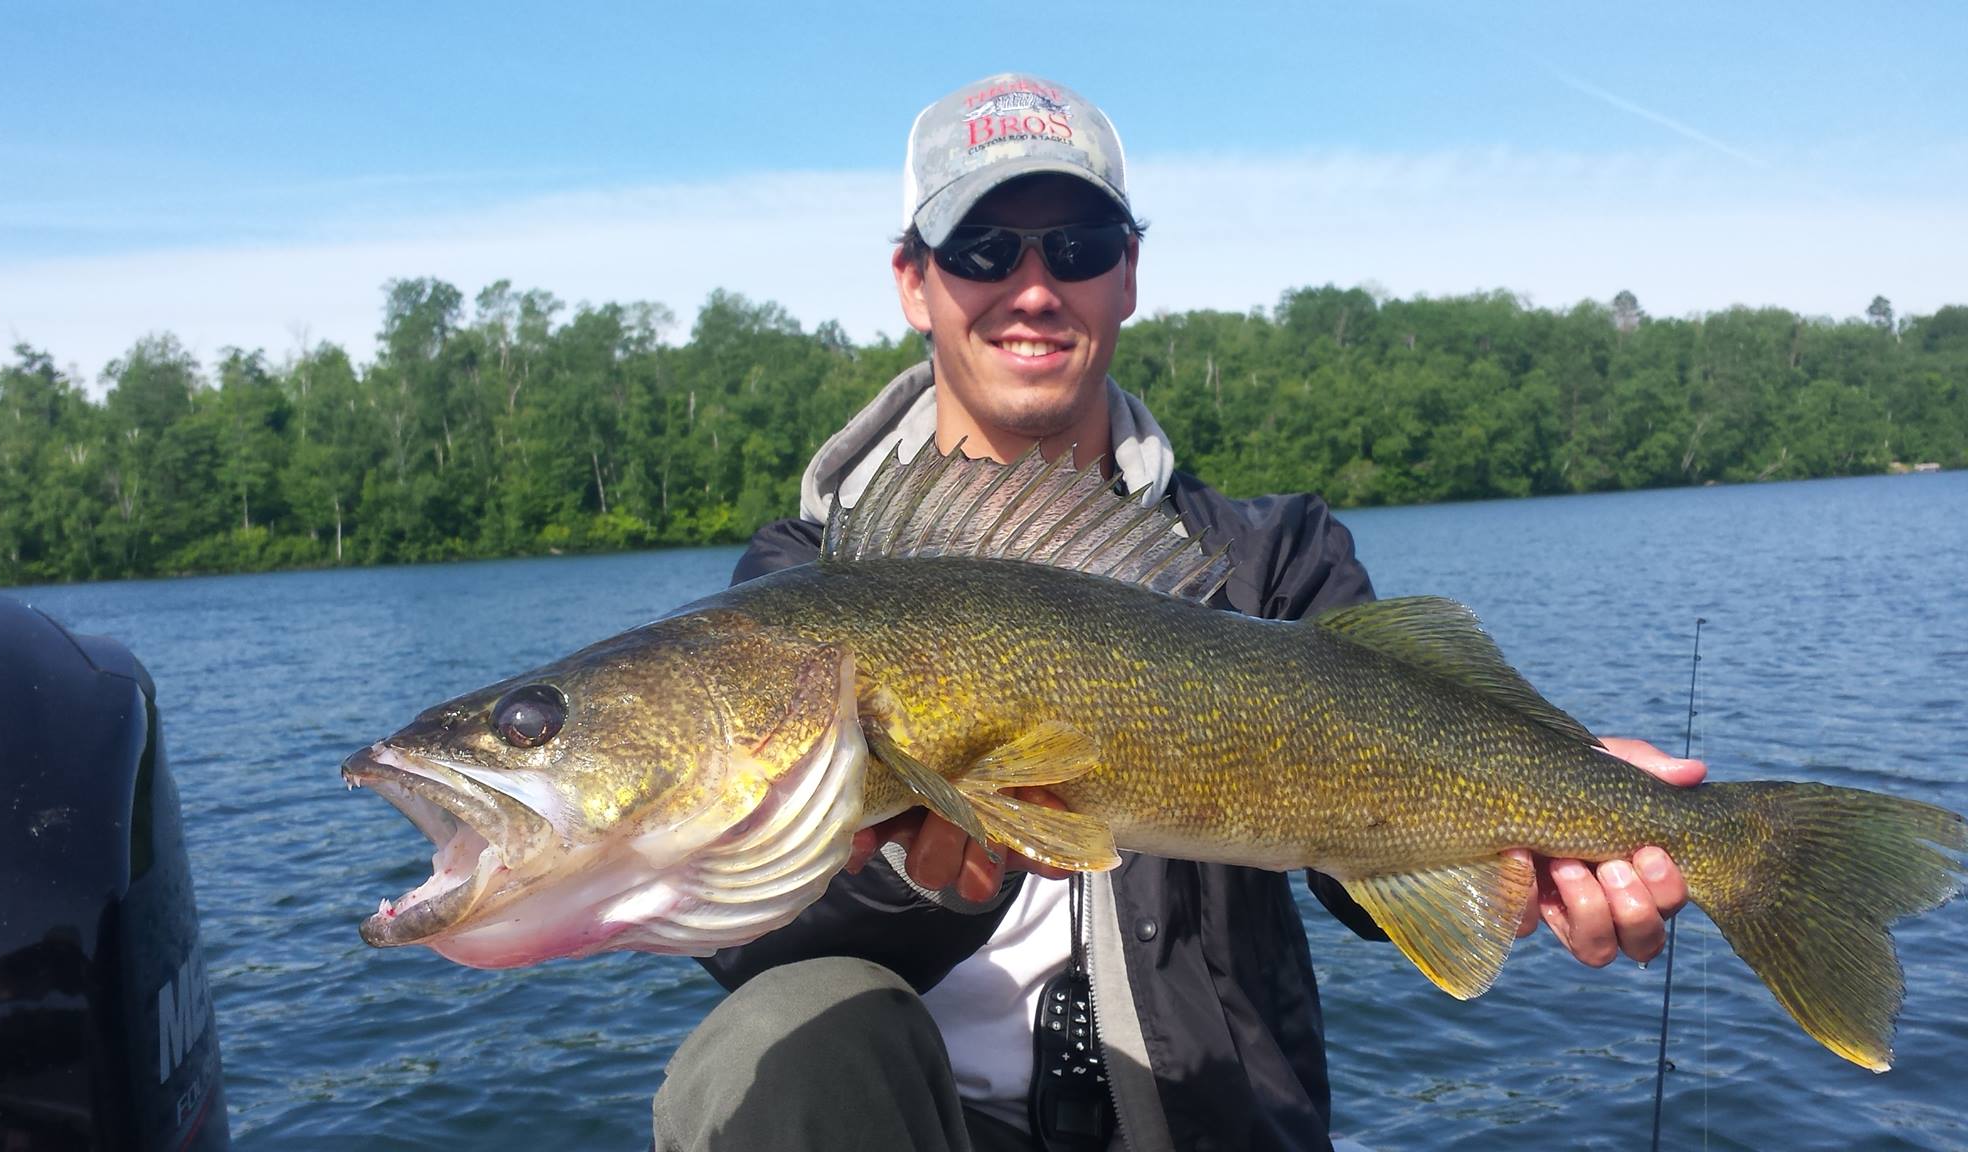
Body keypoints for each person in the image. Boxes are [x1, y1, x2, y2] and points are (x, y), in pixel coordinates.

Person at [651, 73, 1704, 1152]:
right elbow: (749, 945)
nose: (1032, 287)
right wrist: (928, 883)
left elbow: (1362, 880)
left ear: (1128, 275)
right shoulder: (807, 586)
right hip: (926, 1127)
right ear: (912, 282)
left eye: (1075, 246)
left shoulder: (1266, 560)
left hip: (1205, 1125)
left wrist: (1556, 817)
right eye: (980, 250)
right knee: (764, 1043)